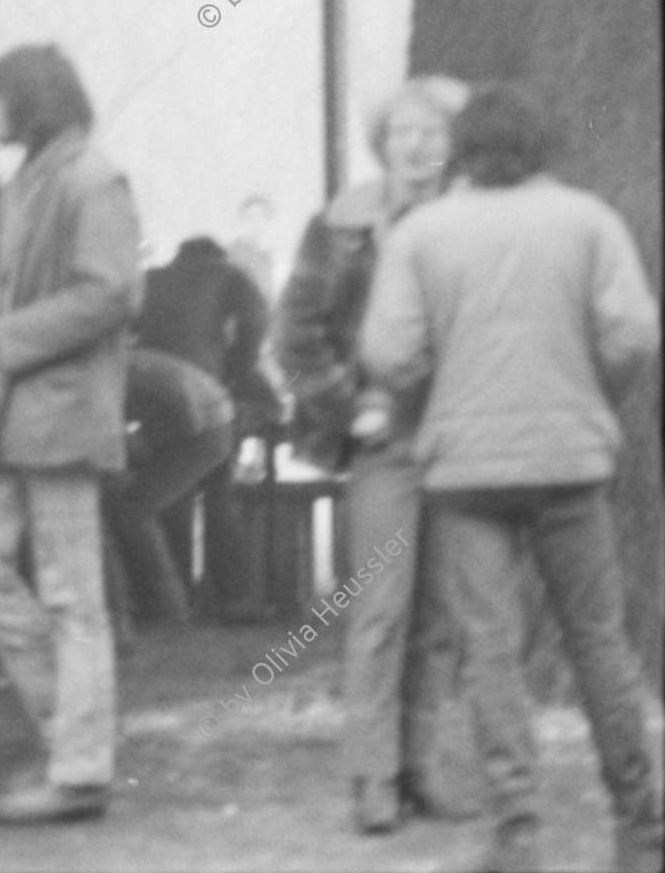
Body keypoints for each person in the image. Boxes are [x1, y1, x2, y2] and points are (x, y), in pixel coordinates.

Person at [359, 86, 662, 873]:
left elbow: (389, 353)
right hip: (571, 460)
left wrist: (433, 399)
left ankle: (519, 830)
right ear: (542, 143)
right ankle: (640, 823)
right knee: (600, 642)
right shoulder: (589, 220)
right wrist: (594, 393)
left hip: (465, 471)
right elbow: (633, 331)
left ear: (461, 149)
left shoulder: (421, 233)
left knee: (490, 649)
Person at [0, 43, 142, 825]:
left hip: (52, 416)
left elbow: (110, 295)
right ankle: (76, 736)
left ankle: (81, 761)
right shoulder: (40, 181)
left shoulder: (91, 182)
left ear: (31, 103)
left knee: (69, 596)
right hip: (15, 414)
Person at [275, 74, 474, 833]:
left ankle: (422, 764)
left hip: (460, 439)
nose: (417, 147)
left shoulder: (473, 221)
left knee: (444, 611)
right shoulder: (344, 226)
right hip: (387, 440)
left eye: (433, 133)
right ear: (383, 143)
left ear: (455, 146)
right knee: (381, 609)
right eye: (403, 133)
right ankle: (372, 776)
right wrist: (343, 403)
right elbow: (295, 331)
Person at [134, 236, 275, 618]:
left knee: (173, 490)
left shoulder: (150, 278)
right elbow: (258, 316)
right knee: (218, 491)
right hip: (206, 387)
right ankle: (233, 599)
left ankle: (175, 599)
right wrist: (240, 364)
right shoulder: (226, 272)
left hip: (155, 392)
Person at [103, 347, 237, 634]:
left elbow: (186, 416)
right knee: (126, 501)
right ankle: (162, 604)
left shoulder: (124, 373)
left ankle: (167, 607)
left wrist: (140, 444)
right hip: (209, 417)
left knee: (133, 509)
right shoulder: (122, 364)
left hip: (207, 429)